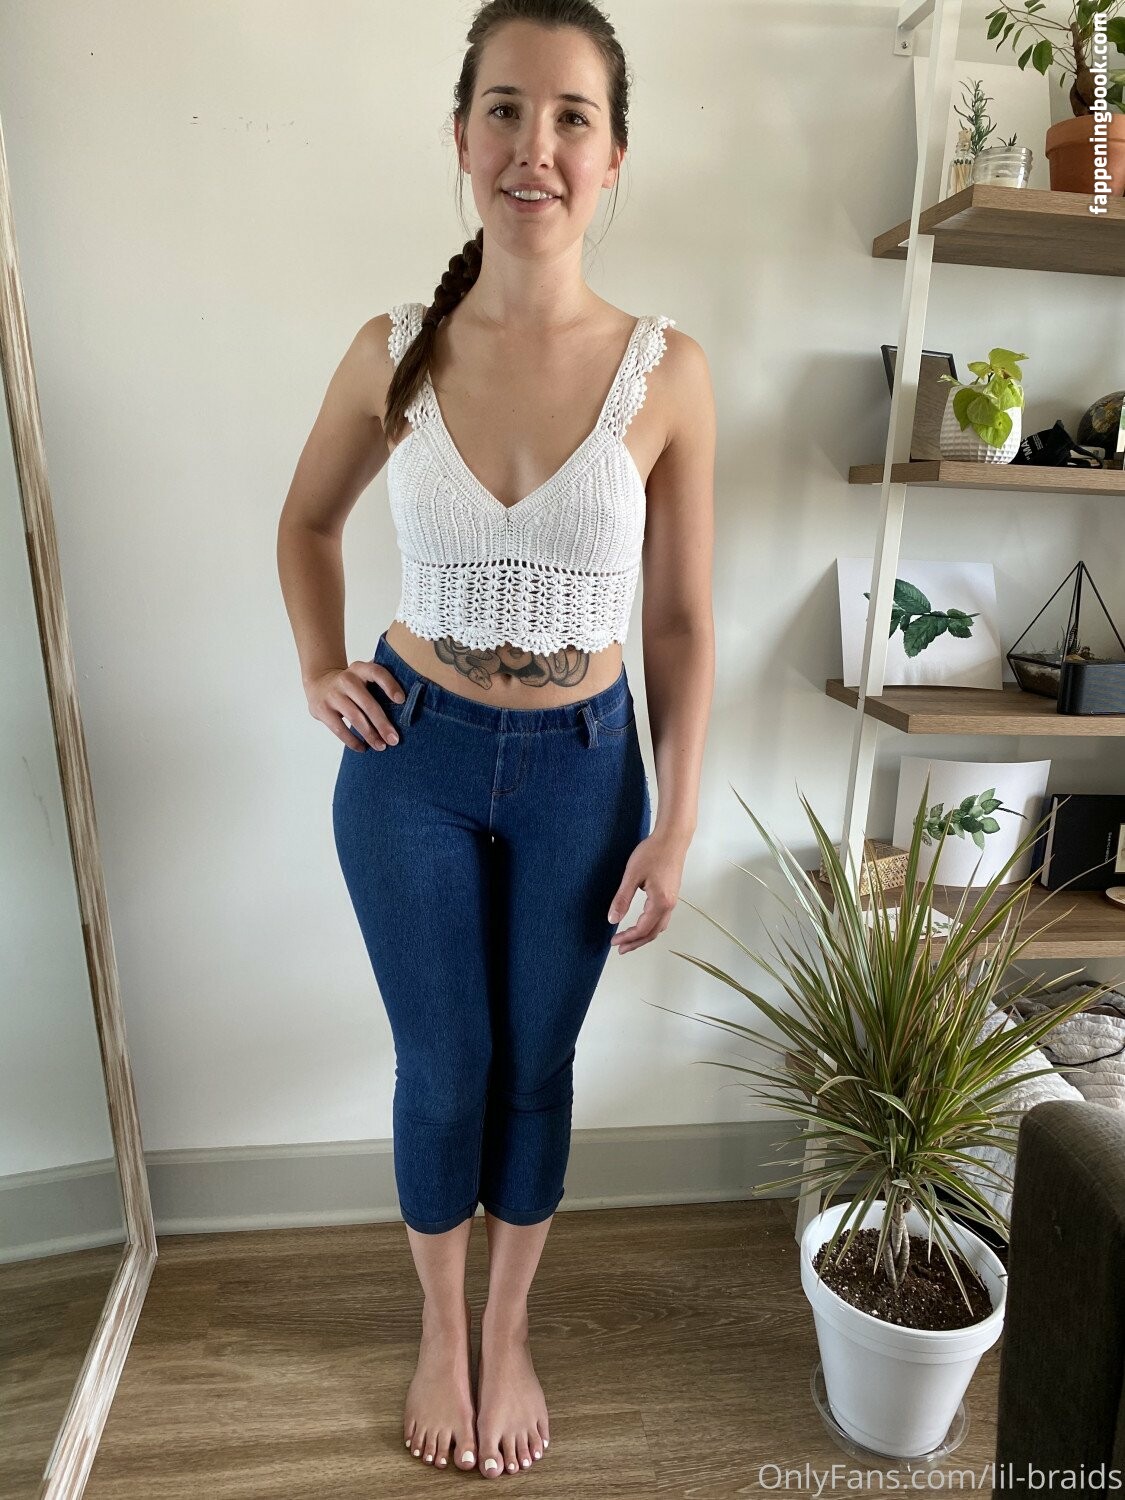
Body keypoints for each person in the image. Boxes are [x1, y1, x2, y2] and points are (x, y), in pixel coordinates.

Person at [277, 0, 714, 1481]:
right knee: (445, 1067)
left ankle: (509, 1329)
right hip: (411, 764)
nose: (537, 145)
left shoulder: (667, 370)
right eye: (506, 110)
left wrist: (676, 819)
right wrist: (318, 667)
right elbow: (305, 525)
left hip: (587, 776)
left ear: (614, 155)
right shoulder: (393, 349)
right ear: (463, 138)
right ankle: (439, 1330)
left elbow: (678, 625)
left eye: (572, 116)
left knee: (536, 1066)